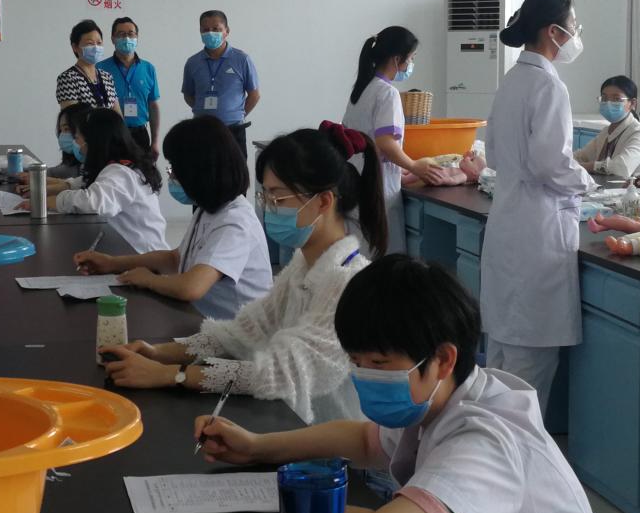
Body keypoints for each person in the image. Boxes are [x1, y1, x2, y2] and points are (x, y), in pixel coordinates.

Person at [195, 255, 606, 513]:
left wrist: (274, 503)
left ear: (443, 359)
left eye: (378, 362)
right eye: (356, 361)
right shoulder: (439, 401)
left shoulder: (488, 440)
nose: (363, 375)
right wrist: (257, 447)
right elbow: (363, 439)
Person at [98, 124, 388, 425]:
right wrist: (158, 353)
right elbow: (243, 333)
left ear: (323, 202)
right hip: (293, 425)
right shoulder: (301, 267)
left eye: (278, 199)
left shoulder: (347, 283)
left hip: (327, 440)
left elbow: (277, 374)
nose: (269, 210)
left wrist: (172, 374)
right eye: (265, 197)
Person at [481, 0, 593, 413]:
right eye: (573, 25)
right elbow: (550, 163)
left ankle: (489, 448)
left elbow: (493, 155)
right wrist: (588, 184)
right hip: (536, 235)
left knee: (500, 369)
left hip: (508, 225)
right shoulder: (548, 84)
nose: (576, 33)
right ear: (553, 31)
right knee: (527, 380)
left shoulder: (512, 80)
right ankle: (515, 453)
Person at [74, 116, 272, 320]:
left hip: (241, 333)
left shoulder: (235, 221)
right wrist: (112, 263)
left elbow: (191, 287)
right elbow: (176, 258)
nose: (172, 176)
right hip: (205, 321)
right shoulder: (208, 209)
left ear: (199, 171)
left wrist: (148, 280)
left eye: (175, 168)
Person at [343, 27, 446, 254]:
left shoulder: (361, 90)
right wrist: (415, 166)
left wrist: (401, 170)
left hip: (357, 182)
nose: (411, 64)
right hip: (378, 188)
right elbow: (385, 143)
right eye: (411, 58)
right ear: (397, 59)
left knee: (359, 255)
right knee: (382, 257)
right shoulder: (387, 93)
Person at [23, 108, 167, 253]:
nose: (76, 144)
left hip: (142, 257)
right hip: (130, 253)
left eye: (77, 138)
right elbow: (81, 183)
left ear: (94, 142)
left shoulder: (121, 172)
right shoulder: (119, 166)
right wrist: (41, 191)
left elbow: (92, 202)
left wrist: (47, 202)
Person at [181, 10, 259, 158]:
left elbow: (254, 95)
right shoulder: (192, 62)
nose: (210, 33)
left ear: (226, 31)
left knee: (234, 171)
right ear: (200, 32)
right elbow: (188, 95)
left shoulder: (242, 59)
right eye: (205, 29)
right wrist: (204, 112)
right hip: (202, 131)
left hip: (233, 131)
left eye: (216, 29)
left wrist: (237, 114)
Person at [97, 17, 160, 157]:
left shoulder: (148, 68)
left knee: (141, 170)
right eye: (121, 34)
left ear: (137, 37)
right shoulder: (100, 68)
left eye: (131, 34)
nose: (126, 38)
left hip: (140, 134)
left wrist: (155, 141)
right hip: (111, 135)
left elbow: (153, 105)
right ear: (113, 39)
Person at [574, 75, 640, 178]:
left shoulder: (638, 133)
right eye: (604, 98)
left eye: (616, 99)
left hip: (629, 188)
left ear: (632, 103)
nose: (608, 103)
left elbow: (622, 168)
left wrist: (589, 166)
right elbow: (581, 156)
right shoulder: (606, 132)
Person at [55, 19, 120, 112]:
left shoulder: (107, 77)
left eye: (99, 43)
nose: (96, 47)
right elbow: (71, 117)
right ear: (75, 47)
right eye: (90, 43)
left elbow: (117, 114)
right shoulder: (68, 78)